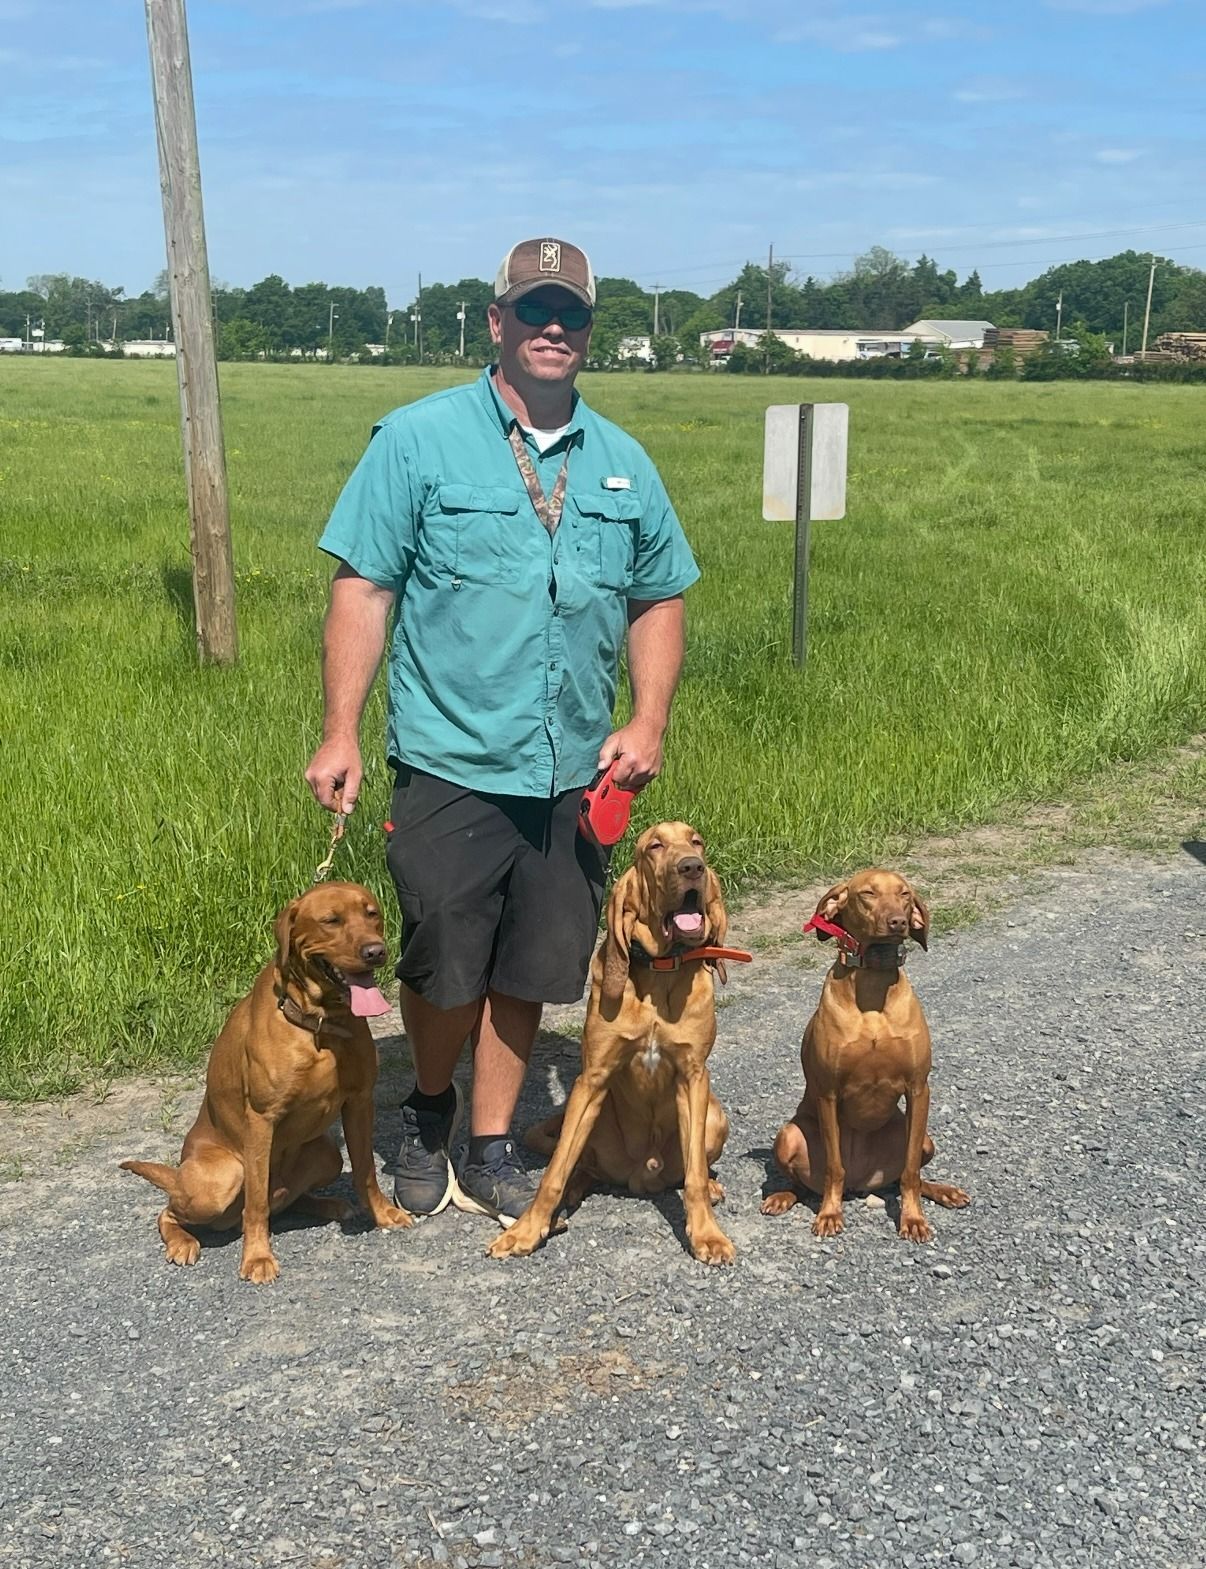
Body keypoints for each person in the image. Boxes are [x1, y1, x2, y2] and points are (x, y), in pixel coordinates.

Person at [304, 236, 699, 1228]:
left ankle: (487, 1143)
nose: (553, 329)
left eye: (570, 314)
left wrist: (648, 719)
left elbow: (660, 596)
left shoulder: (625, 463)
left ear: (589, 332)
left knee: (535, 964)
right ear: (497, 323)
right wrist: (340, 730)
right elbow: (364, 585)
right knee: (442, 958)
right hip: (452, 758)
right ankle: (426, 1109)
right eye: (534, 311)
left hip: (575, 769)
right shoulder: (419, 440)